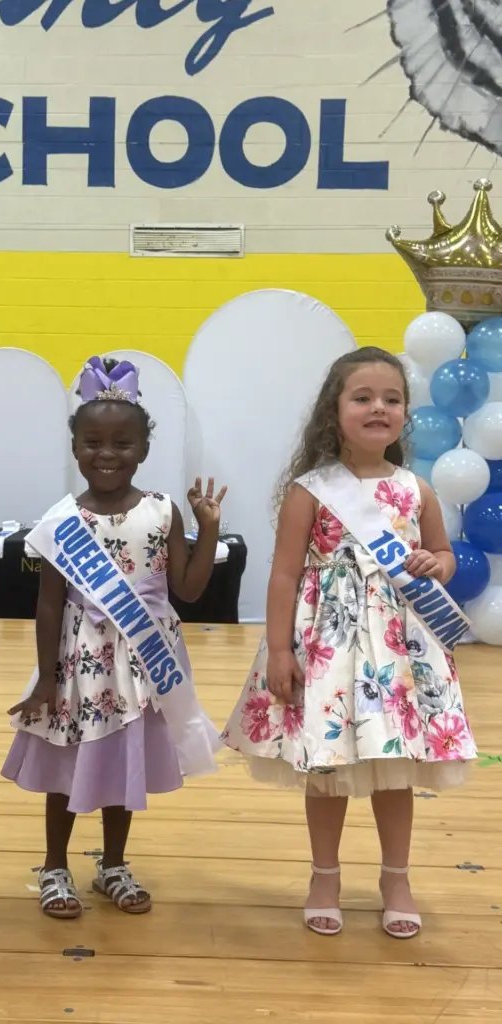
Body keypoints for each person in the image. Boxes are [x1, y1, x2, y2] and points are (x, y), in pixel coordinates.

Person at [221, 346, 476, 940]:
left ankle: (396, 880)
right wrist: (279, 651)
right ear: (332, 412)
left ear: (405, 414)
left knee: (395, 768)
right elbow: (284, 575)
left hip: (398, 652)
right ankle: (324, 877)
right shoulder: (310, 490)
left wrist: (435, 564)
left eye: (392, 399)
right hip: (327, 647)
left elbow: (444, 555)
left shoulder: (417, 489)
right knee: (326, 765)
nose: (378, 407)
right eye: (362, 397)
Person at [1, 356, 225, 918]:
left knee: (124, 761)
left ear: (143, 449)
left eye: (122, 443)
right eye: (93, 442)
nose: (107, 454)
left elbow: (188, 590)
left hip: (143, 661)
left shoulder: (163, 511)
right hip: (79, 661)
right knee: (67, 762)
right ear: (75, 448)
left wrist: (209, 529)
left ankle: (114, 865)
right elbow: (48, 604)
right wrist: (46, 680)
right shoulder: (61, 521)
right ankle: (55, 866)